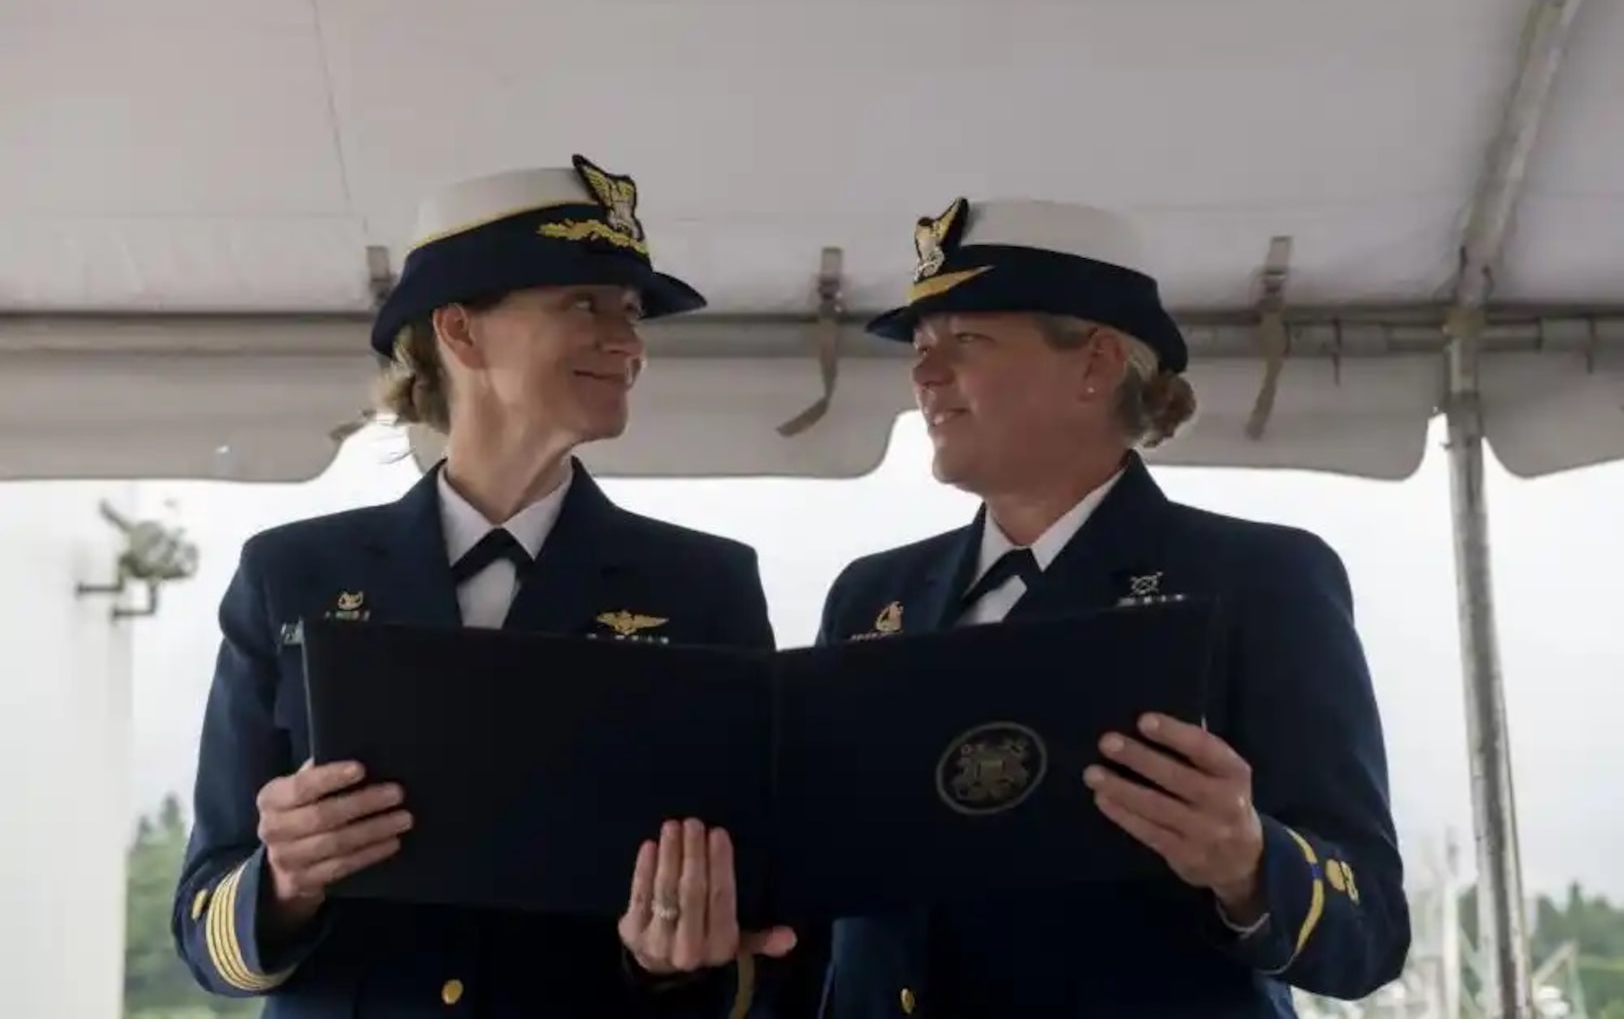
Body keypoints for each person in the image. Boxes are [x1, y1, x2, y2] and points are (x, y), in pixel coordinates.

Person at [749, 197, 1412, 1017]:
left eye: (965, 341)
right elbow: (815, 917)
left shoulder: (1258, 580)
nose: (923, 376)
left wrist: (1248, 863)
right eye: (921, 350)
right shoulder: (871, 597)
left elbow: (1372, 925)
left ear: (1094, 363)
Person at [170, 154, 785, 1018]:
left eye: (632, 312)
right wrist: (285, 879)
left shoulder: (706, 585)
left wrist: (672, 962)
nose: (629, 340)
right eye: (586, 304)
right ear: (460, 332)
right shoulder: (292, 576)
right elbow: (205, 925)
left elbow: (749, 908)